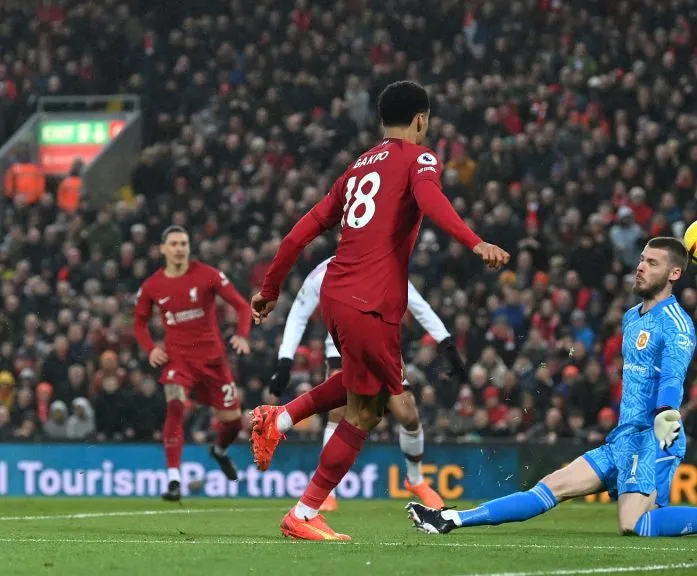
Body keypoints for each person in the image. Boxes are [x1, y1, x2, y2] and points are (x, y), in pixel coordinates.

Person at [248, 80, 509, 541]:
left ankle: (280, 418)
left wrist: (270, 289)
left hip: (336, 293)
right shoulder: (420, 158)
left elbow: (297, 234)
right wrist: (476, 241)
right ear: (422, 119)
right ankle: (304, 513)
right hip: (370, 302)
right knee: (367, 412)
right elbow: (430, 200)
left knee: (357, 386)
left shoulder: (354, 170)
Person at [407, 238, 697, 539]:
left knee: (633, 525)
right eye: (641, 259)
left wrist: (666, 416)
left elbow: (674, 376)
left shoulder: (677, 322)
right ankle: (449, 518)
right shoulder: (630, 317)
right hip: (622, 438)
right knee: (549, 487)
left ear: (675, 274)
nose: (640, 266)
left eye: (651, 263)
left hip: (654, 437)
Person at [271, 255, 467, 511]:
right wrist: (285, 361)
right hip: (342, 349)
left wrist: (446, 344)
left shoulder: (385, 266)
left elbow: (419, 306)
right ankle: (324, 491)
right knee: (339, 412)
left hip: (382, 348)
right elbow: (298, 314)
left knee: (407, 413)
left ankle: (415, 480)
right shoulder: (324, 273)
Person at [132, 225, 252, 502]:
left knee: (233, 423)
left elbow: (243, 306)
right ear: (163, 249)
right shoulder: (152, 286)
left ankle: (219, 451)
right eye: (173, 244)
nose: (180, 248)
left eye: (184, 243)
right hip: (178, 361)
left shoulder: (208, 275)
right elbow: (138, 323)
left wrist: (242, 335)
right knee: (175, 404)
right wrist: (150, 349)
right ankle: (174, 479)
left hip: (213, 362)